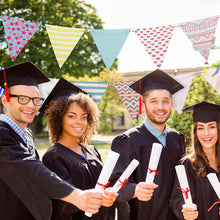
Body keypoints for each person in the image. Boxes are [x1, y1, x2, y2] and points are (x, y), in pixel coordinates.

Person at [0, 61, 105, 220]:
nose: (31, 105)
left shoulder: (25, 134)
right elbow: (31, 168)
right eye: (23, 99)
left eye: (36, 100)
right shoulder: (2, 133)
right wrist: (76, 195)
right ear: (5, 100)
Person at [109, 69, 186, 220]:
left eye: (165, 101)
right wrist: (135, 189)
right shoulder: (127, 141)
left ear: (171, 104)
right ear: (142, 104)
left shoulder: (177, 138)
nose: (160, 107)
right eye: (153, 101)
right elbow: (112, 187)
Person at [39, 77, 117, 220]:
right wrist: (97, 197)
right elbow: (62, 201)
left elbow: (104, 185)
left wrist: (109, 194)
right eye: (71, 116)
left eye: (84, 117)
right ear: (58, 118)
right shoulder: (53, 157)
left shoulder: (92, 151)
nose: (79, 122)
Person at [170, 101, 220, 220]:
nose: (206, 133)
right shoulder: (188, 165)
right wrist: (185, 209)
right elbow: (178, 199)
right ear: (195, 132)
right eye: (200, 128)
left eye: (212, 127)